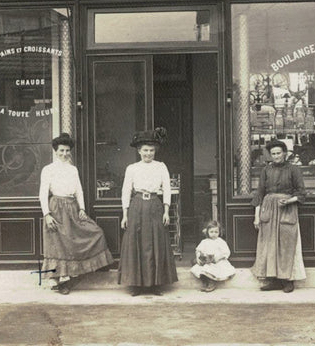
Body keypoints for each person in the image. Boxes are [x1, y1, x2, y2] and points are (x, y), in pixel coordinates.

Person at [39, 133, 114, 295]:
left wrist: (82, 209)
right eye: (61, 151)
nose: (64, 154)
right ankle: (58, 280)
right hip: (56, 208)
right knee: (59, 243)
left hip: (72, 207)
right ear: (55, 151)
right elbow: (42, 193)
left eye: (67, 151)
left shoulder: (73, 169)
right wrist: (47, 214)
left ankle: (73, 275)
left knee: (94, 233)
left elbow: (79, 190)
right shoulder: (48, 170)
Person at [118, 127, 178, 296]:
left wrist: (166, 211)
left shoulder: (161, 167)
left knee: (155, 243)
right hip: (137, 205)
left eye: (151, 150)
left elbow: (166, 189)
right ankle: (136, 285)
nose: (148, 153)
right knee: (136, 243)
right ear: (139, 151)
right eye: (145, 150)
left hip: (154, 205)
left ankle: (155, 284)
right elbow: (125, 191)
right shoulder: (132, 168)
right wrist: (125, 214)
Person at [251, 139, 306, 293]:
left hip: (287, 209)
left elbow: (301, 193)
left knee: (286, 245)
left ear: (285, 153)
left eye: (278, 153)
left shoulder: (294, 169)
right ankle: (273, 280)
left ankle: (288, 281)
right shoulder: (266, 170)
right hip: (268, 209)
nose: (276, 156)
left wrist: (289, 200)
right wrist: (257, 216)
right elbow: (260, 194)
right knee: (269, 246)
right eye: (273, 154)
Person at [190, 220, 236, 292]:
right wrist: (198, 257)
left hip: (216, 261)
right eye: (211, 232)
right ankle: (205, 282)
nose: (214, 234)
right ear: (208, 232)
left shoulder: (220, 241)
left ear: (219, 232)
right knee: (195, 263)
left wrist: (218, 258)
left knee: (210, 268)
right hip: (206, 260)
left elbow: (226, 252)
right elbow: (198, 250)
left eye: (216, 232)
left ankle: (211, 283)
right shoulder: (205, 241)